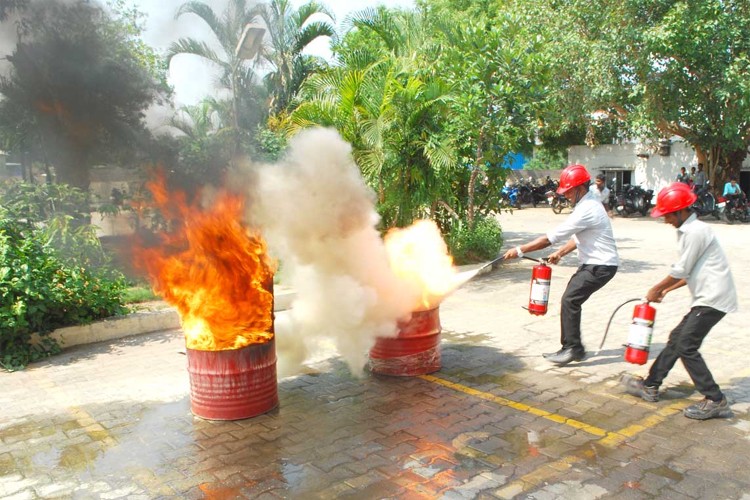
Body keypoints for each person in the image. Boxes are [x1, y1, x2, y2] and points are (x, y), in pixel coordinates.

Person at [624, 182, 736, 420]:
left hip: (713, 299)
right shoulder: (687, 231)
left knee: (686, 345)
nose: (666, 220)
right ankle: (651, 384)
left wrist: (656, 288)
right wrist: (667, 291)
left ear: (682, 211)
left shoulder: (696, 232)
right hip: (705, 298)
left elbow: (682, 268)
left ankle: (716, 400)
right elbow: (689, 272)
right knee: (677, 339)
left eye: (667, 215)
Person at [502, 164, 619, 366]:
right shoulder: (588, 204)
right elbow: (578, 237)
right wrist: (560, 253)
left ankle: (572, 348)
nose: (566, 196)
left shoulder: (587, 208)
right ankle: (576, 349)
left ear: (580, 188)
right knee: (571, 299)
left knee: (570, 300)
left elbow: (549, 239)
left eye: (569, 191)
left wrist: (519, 250)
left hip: (601, 265)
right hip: (596, 264)